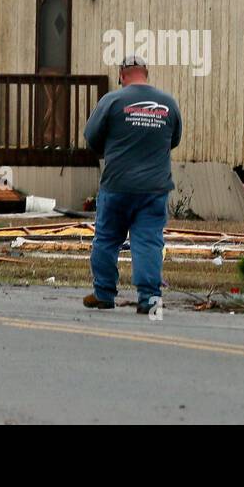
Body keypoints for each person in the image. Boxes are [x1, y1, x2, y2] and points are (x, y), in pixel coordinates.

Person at [82, 55, 182, 314]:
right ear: (145, 73)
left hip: (117, 184)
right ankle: (149, 299)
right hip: (154, 188)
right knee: (148, 242)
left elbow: (91, 138)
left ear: (122, 75)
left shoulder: (112, 101)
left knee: (106, 239)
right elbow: (174, 139)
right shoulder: (169, 104)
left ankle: (103, 294)